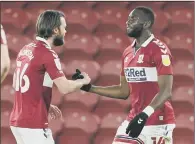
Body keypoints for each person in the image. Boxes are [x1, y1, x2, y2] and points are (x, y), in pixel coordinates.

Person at [72, 6, 175, 144]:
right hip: (134, 118)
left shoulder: (159, 50)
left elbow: (166, 91)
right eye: (128, 19)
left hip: (158, 123)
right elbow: (123, 91)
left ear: (146, 24)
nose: (127, 22)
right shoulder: (127, 52)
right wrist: (90, 88)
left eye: (133, 19)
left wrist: (144, 115)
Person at [9, 10, 91, 144]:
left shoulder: (25, 48)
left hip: (17, 123)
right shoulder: (48, 54)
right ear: (55, 30)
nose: (65, 31)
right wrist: (83, 81)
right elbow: (65, 88)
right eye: (64, 27)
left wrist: (41, 102)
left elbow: (16, 84)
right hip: (33, 125)